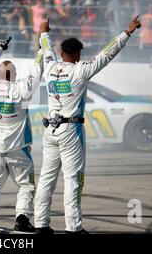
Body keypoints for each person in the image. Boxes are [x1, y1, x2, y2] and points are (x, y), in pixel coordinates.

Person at [33, 16, 142, 234]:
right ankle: (73, 228)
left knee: (46, 179)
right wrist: (127, 32)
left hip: (50, 131)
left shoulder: (50, 66)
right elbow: (107, 54)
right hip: (70, 132)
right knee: (73, 179)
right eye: (79, 54)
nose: (80, 57)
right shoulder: (80, 69)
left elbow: (45, 48)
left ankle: (41, 225)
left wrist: (43, 31)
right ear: (76, 54)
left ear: (61, 52)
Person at [0, 37, 43, 233]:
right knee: (26, 186)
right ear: (15, 75)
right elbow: (36, 72)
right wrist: (41, 50)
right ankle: (22, 220)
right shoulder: (21, 89)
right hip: (18, 150)